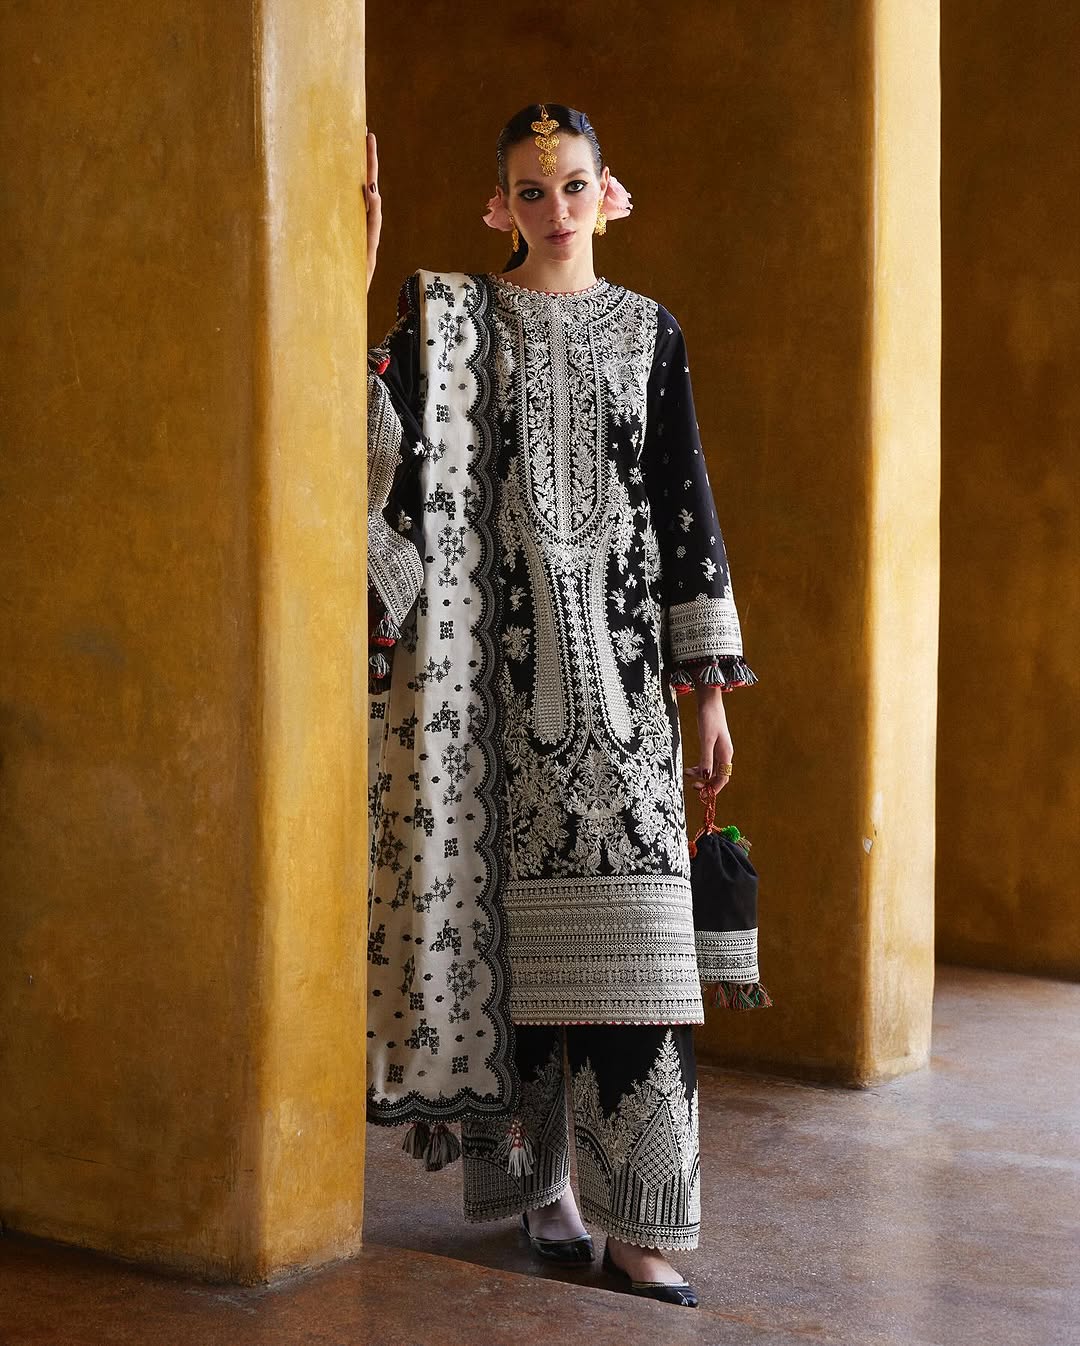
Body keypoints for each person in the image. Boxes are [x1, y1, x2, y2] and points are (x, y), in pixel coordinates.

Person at [363, 103, 756, 1310]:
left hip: (628, 694)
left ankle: (644, 1224)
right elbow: (378, 437)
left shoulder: (651, 331)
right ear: (500, 205)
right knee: (523, 969)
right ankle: (545, 1194)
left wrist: (706, 692)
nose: (555, 208)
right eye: (530, 191)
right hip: (495, 703)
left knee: (643, 967)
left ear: (608, 194)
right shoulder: (455, 325)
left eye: (573, 185)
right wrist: (357, 276)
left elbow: (685, 506)